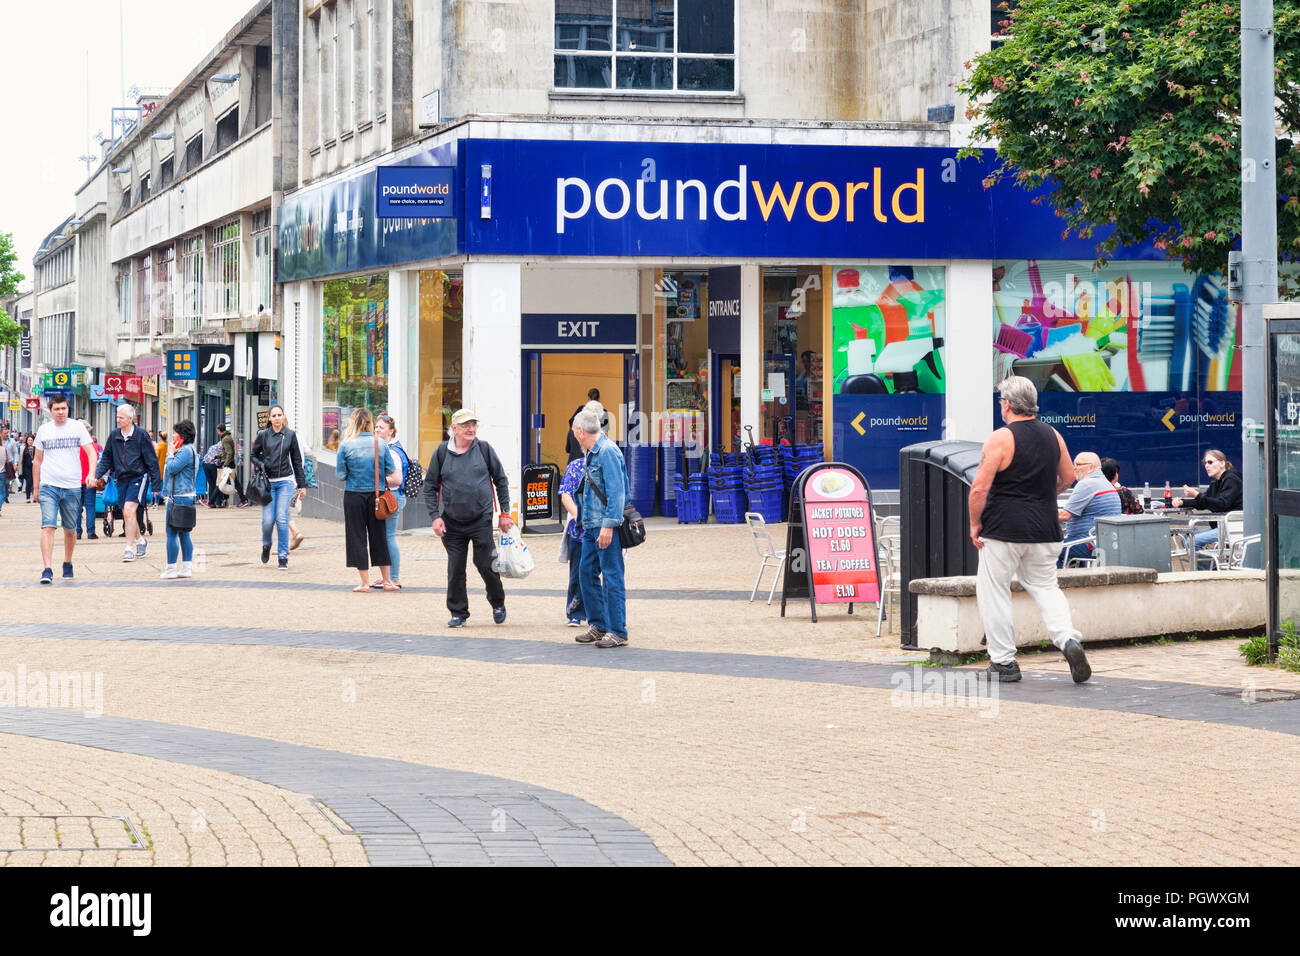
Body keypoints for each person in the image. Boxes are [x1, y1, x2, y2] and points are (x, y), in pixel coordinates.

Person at [968, 375, 1091, 683]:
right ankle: (1068, 639)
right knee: (1047, 587)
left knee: (994, 590)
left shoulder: (1001, 438)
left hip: (1003, 528)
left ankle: (1004, 662)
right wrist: (1046, 492)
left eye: (1001, 402)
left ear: (1007, 404)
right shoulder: (1053, 435)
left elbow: (979, 489)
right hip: (1045, 526)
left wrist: (974, 523)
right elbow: (1068, 477)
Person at [423, 407, 513, 626]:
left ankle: (497, 602)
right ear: (453, 429)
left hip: (480, 519)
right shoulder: (442, 452)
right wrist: (435, 517)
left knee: (486, 564)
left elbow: (500, 480)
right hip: (452, 521)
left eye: (473, 425)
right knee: (455, 569)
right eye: (466, 426)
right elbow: (430, 486)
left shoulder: (483, 449)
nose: (471, 429)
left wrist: (505, 513)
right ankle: (458, 613)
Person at [571, 401, 630, 648]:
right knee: (586, 573)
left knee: (612, 575)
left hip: (604, 526)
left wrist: (608, 526)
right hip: (590, 524)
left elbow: (617, 492)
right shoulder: (593, 453)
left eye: (575, 431)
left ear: (581, 432)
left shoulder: (607, 451)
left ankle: (617, 631)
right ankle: (598, 624)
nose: (574, 436)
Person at [33, 395, 98, 583]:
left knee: (70, 529)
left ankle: (67, 562)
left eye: (64, 408)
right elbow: (37, 460)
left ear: (68, 409)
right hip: (49, 485)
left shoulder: (77, 427)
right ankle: (47, 569)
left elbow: (91, 452)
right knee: (48, 526)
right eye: (57, 409)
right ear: (51, 411)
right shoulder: (44, 430)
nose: (61, 412)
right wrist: (36, 488)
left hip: (72, 486)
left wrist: (91, 473)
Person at [336, 408, 396, 593]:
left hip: (354, 495)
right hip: (376, 495)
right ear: (370, 422)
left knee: (357, 537)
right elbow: (390, 469)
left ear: (353, 422)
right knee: (379, 536)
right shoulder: (380, 444)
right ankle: (387, 581)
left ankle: (364, 583)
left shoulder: (346, 445)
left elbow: (340, 474)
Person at [94, 403, 161, 563]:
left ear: (130, 419)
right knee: (126, 513)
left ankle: (129, 548)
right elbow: (106, 458)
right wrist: (97, 475)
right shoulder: (114, 435)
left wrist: (157, 485)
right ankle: (141, 541)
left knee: (129, 510)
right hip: (121, 479)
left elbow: (152, 460)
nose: (117, 420)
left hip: (139, 477)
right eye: (117, 417)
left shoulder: (141, 435)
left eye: (121, 417)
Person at [251, 405, 307, 570]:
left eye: (279, 415)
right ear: (269, 418)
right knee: (268, 521)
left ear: (283, 417)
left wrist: (302, 485)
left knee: (282, 518)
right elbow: (253, 455)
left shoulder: (290, 435)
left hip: (285, 481)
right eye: (273, 415)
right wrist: (261, 464)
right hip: (268, 483)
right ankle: (266, 545)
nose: (276, 418)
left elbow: (297, 461)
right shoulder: (263, 435)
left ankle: (283, 556)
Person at [1172, 449, 1244, 564]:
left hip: (1231, 527)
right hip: (1221, 526)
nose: (1206, 466)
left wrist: (1196, 494)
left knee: (1192, 541)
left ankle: (1210, 573)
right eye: (1205, 463)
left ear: (1222, 463)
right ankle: (1213, 568)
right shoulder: (1216, 483)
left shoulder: (1231, 479)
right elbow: (1203, 502)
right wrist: (1182, 502)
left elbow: (1221, 504)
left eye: (1210, 462)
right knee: (1187, 539)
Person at [1057, 451, 1122, 567]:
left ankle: (1055, 584)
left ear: (1091, 467)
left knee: (1046, 550)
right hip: (1103, 543)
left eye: (1078, 465)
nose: (1074, 468)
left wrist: (1037, 515)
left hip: (1088, 543)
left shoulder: (1087, 484)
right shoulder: (1106, 483)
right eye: (1074, 464)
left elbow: (1064, 515)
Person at [373, 413, 410, 589]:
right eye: (376, 426)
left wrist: (377, 480)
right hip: (394, 496)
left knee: (388, 537)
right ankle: (386, 576)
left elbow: (397, 479)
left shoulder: (392, 451)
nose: (377, 430)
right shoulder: (391, 447)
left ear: (391, 431)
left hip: (392, 497)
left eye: (381, 427)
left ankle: (393, 578)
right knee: (386, 537)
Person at [159, 419, 199, 580]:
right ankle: (186, 567)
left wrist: (170, 454)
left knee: (172, 533)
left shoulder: (184, 451)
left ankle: (171, 569)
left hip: (179, 497)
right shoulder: (191, 450)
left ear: (182, 435)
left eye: (176, 432)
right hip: (187, 495)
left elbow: (172, 467)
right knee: (184, 533)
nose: (173, 435)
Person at [557, 451, 587, 628]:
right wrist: (579, 517)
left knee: (606, 574)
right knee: (577, 573)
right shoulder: (575, 466)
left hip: (604, 528)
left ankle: (601, 614)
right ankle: (575, 612)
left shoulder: (609, 464)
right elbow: (566, 495)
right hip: (578, 531)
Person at [75, 423, 102, 540]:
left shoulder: (75, 445)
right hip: (89, 479)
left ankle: (77, 532)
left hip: (75, 479)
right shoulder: (93, 445)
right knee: (90, 507)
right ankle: (91, 532)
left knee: (77, 507)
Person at [565, 388, 607, 462]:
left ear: (588, 397)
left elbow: (568, 449)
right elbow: (605, 431)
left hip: (574, 463)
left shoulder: (573, 429)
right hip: (591, 463)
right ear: (599, 398)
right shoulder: (603, 413)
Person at [289, 439, 317, 551]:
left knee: (280, 511)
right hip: (297, 480)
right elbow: (309, 453)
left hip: (286, 479)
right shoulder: (298, 437)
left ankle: (295, 534)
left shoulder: (282, 437)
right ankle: (293, 535)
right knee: (281, 510)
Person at [217, 424, 249, 508]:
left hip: (229, 463)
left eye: (217, 431)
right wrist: (217, 456)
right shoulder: (226, 437)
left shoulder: (225, 439)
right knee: (231, 482)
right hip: (229, 462)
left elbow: (229, 452)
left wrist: (226, 464)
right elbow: (225, 452)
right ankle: (243, 500)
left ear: (219, 430)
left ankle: (213, 501)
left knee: (222, 481)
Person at [21, 434, 36, 502]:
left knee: (35, 482)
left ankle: (35, 497)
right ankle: (28, 497)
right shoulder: (23, 448)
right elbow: (22, 459)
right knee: (29, 482)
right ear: (26, 441)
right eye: (29, 440)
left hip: (35, 467)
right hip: (27, 468)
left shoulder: (36, 448)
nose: (30, 441)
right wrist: (21, 470)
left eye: (31, 440)